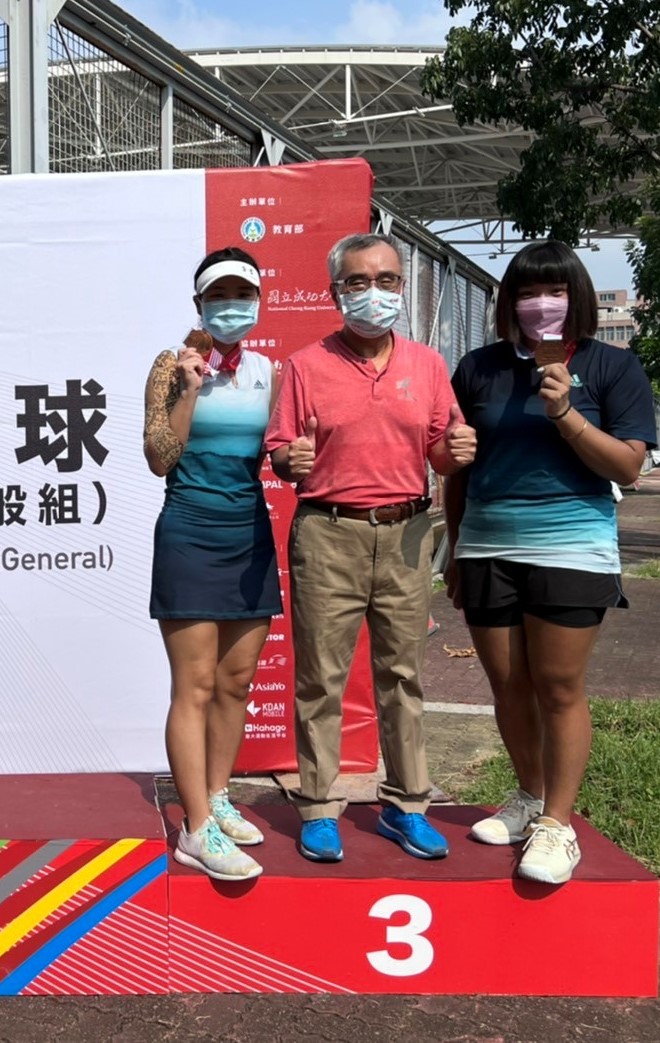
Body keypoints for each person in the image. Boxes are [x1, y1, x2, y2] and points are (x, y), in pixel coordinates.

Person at [444, 240, 656, 884]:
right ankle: (530, 798)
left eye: (555, 291)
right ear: (510, 301)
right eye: (529, 292)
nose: (542, 304)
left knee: (558, 686)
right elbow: (459, 469)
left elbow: (627, 466)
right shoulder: (479, 368)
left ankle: (559, 826)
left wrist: (564, 411)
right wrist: (454, 548)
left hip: (571, 547)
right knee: (509, 686)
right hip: (485, 545)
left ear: (578, 297)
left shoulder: (613, 366)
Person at [265, 232, 476, 863]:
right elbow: (281, 451)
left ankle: (407, 805)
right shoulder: (306, 366)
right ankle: (319, 807)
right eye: (358, 282)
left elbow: (441, 445)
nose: (373, 293)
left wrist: (454, 453)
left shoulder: (427, 366)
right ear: (336, 293)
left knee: (403, 675)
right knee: (320, 680)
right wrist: (289, 458)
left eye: (386, 280)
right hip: (329, 532)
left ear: (402, 288)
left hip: (409, 532)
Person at [144, 246, 282, 882]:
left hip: (249, 534)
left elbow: (274, 456)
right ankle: (195, 828)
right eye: (219, 297)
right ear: (199, 305)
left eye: (243, 296)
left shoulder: (268, 372)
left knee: (236, 681)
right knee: (194, 686)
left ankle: (219, 796)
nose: (232, 307)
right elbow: (159, 456)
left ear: (257, 304)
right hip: (190, 534)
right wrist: (190, 388)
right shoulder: (171, 367)